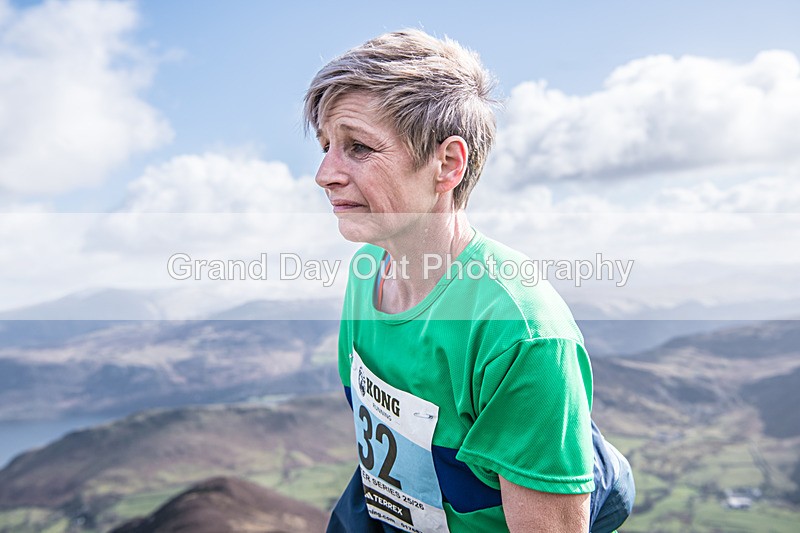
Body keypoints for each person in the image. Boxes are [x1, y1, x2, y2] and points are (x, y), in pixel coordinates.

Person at [304, 29, 633, 533]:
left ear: (447, 164)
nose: (325, 172)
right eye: (327, 145)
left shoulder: (521, 334)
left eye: (359, 147)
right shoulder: (367, 268)